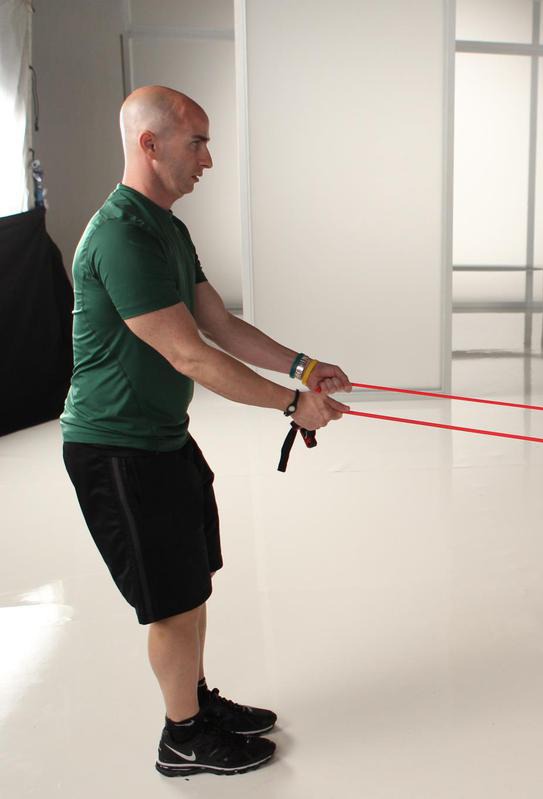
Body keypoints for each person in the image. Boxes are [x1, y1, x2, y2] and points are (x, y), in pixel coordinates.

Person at [60, 85, 351, 775]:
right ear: (150, 144)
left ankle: (195, 701)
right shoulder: (121, 235)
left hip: (162, 438)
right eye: (197, 143)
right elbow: (189, 353)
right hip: (116, 448)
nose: (208, 160)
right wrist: (290, 405)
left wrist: (303, 367)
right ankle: (182, 735)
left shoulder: (166, 227)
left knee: (190, 586)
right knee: (170, 603)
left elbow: (217, 322)